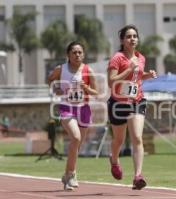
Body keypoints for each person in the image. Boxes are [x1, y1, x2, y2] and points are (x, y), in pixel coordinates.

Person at [107, 24, 157, 190]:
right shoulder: (117, 58)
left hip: (137, 100)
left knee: (137, 137)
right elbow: (111, 81)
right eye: (128, 36)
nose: (132, 39)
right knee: (119, 139)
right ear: (122, 40)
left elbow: (137, 76)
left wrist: (147, 75)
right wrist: (128, 68)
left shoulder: (141, 57)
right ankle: (114, 159)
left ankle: (138, 176)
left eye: (134, 36)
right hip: (118, 103)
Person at [48, 41, 98, 190]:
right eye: (74, 52)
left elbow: (96, 92)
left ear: (83, 54)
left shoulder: (89, 70)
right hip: (66, 108)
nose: (77, 55)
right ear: (68, 55)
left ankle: (67, 175)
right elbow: (50, 79)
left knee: (76, 146)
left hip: (83, 109)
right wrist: (56, 87)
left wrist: (86, 88)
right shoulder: (61, 69)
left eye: (80, 52)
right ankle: (71, 174)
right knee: (75, 138)